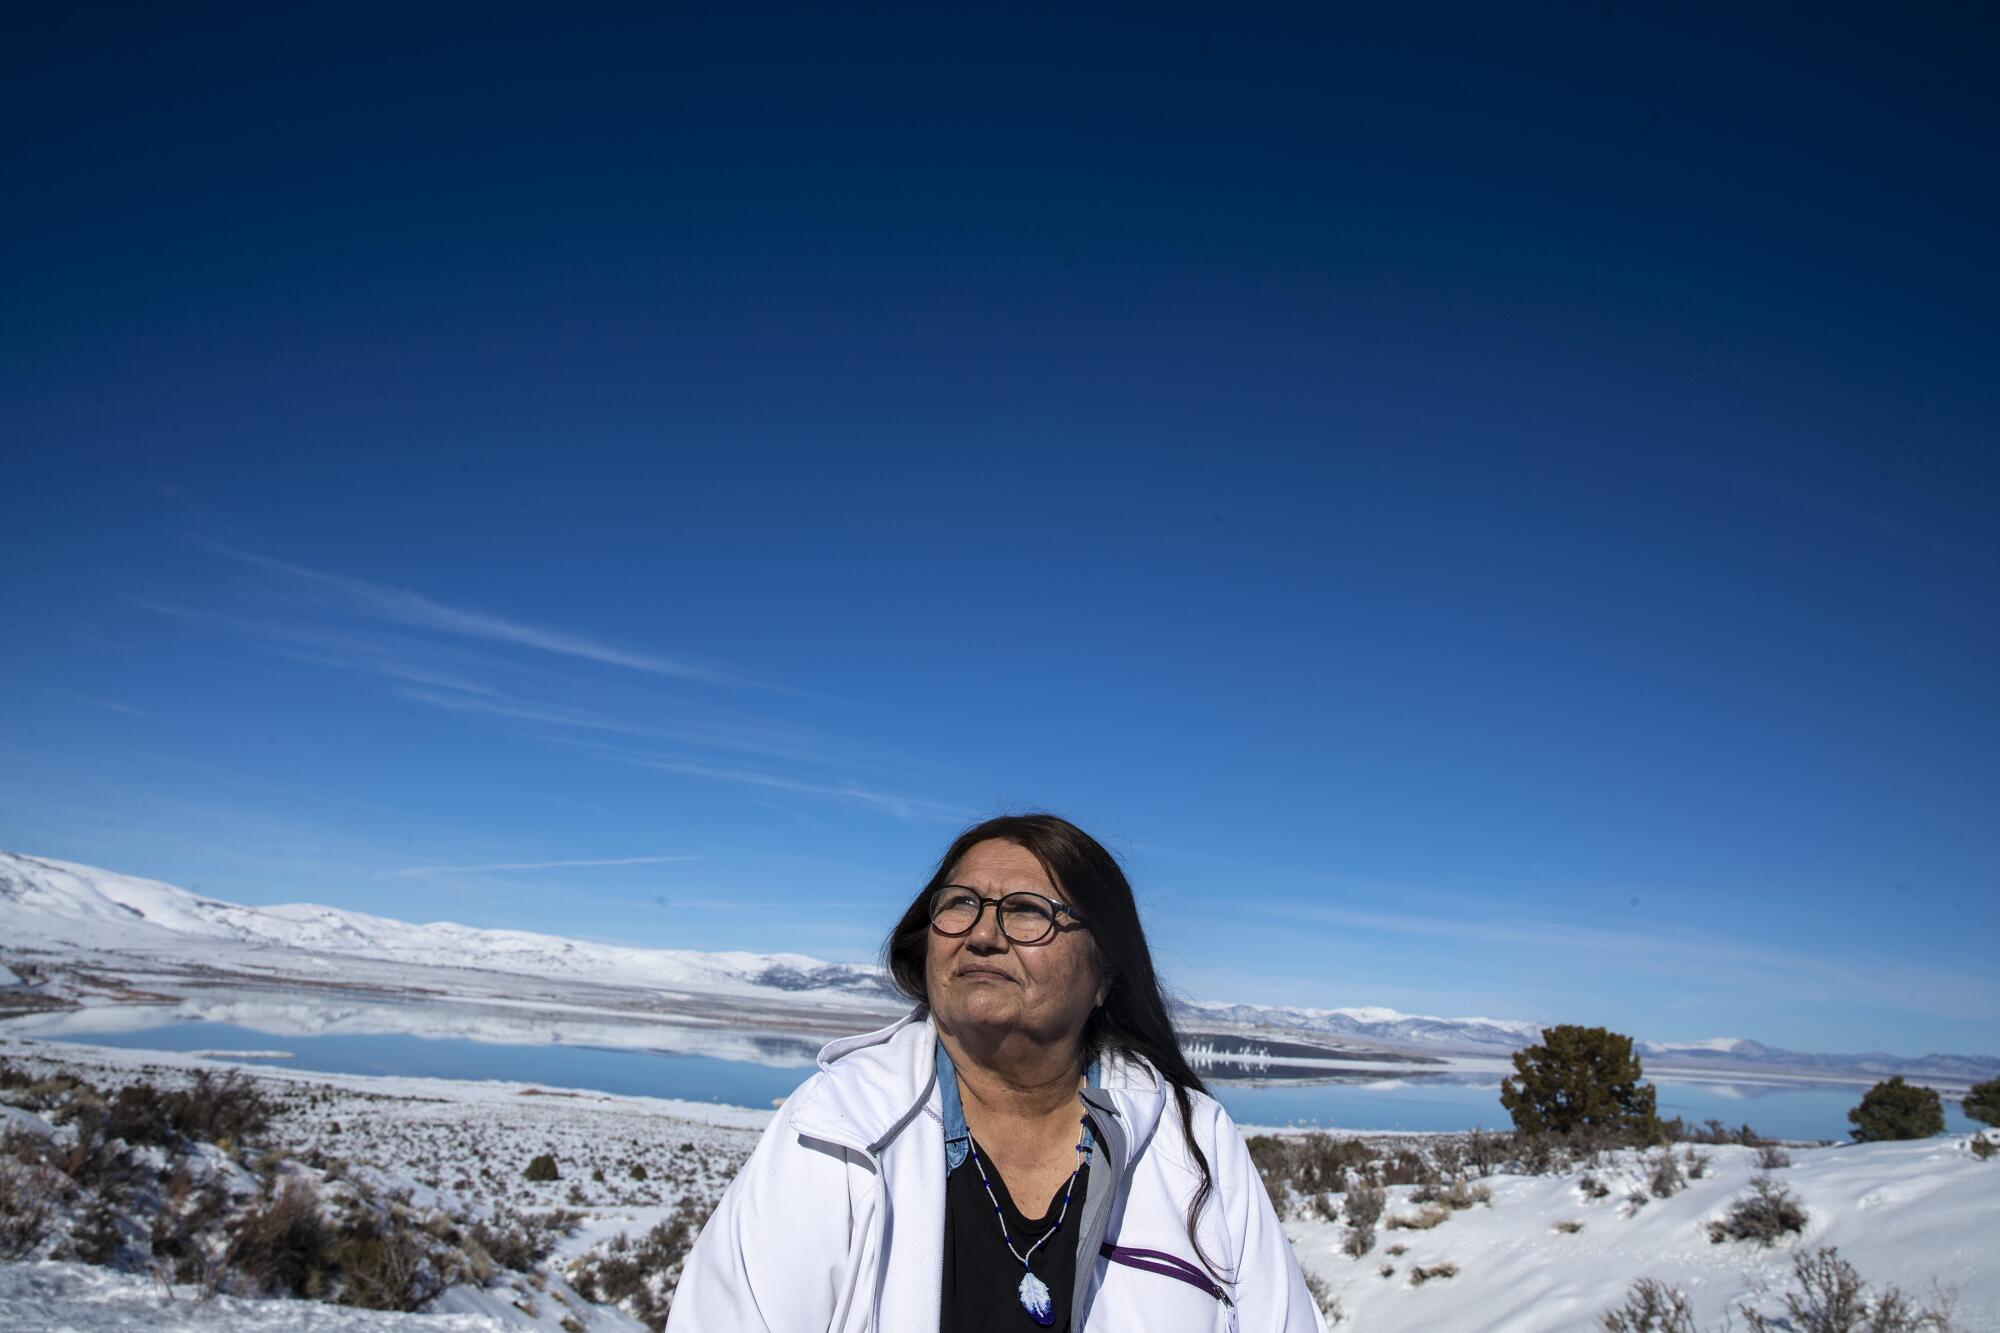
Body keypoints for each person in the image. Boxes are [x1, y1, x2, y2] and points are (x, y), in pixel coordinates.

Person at [666, 813, 1327, 1332]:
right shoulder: (835, 1130)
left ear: (1104, 973)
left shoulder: (1192, 1143)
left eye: (1027, 910)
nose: (983, 934)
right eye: (960, 903)